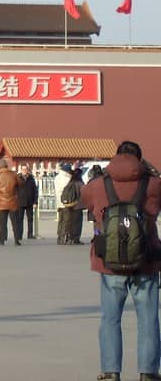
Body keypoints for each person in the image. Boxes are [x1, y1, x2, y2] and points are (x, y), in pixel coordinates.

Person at [82, 141, 161, 381]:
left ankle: (110, 371)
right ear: (140, 159)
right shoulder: (154, 184)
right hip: (146, 261)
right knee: (148, 319)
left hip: (109, 262)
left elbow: (86, 203)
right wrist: (151, 172)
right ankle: (148, 372)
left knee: (110, 318)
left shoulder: (97, 185)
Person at [0, 158, 21, 245]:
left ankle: (2, 240)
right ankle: (16, 240)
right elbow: (20, 183)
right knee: (15, 222)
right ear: (7, 165)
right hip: (12, 201)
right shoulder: (13, 174)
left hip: (2, 202)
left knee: (2, 222)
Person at [17, 164, 39, 240]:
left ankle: (30, 234)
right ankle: (19, 235)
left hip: (30, 202)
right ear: (21, 170)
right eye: (23, 169)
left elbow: (35, 191)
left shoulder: (31, 179)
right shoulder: (18, 178)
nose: (24, 171)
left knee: (30, 219)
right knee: (20, 219)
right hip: (20, 202)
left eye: (25, 169)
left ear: (28, 170)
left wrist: (35, 202)